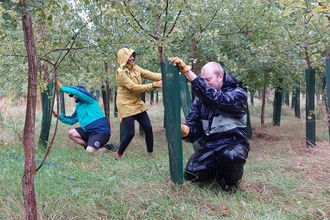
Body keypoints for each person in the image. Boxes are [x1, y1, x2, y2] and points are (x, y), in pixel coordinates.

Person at [171, 57, 250, 193]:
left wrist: (191, 75)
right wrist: (185, 130)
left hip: (234, 143)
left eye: (208, 80)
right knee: (193, 173)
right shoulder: (199, 101)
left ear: (220, 77)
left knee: (231, 156)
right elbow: (195, 127)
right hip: (211, 147)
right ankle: (221, 171)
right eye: (203, 80)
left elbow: (217, 100)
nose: (205, 84)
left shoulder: (238, 94)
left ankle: (231, 182)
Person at [115, 48, 162, 160]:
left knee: (148, 128)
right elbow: (134, 88)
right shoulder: (120, 73)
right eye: (129, 56)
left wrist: (169, 74)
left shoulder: (136, 68)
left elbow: (151, 75)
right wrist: (154, 85)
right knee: (130, 133)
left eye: (133, 56)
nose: (132, 58)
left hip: (137, 103)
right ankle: (118, 155)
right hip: (125, 105)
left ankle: (150, 155)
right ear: (123, 58)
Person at [53, 82, 116, 153]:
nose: (74, 97)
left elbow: (78, 92)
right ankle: (89, 147)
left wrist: (62, 88)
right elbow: (71, 120)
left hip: (100, 132)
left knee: (89, 152)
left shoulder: (90, 99)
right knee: (71, 133)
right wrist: (59, 116)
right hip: (89, 132)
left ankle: (108, 147)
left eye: (74, 95)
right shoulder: (79, 107)